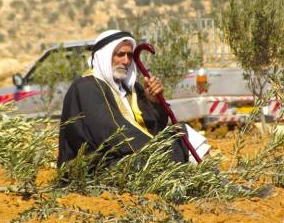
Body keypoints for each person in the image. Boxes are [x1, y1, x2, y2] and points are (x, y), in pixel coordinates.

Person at [57, 30, 190, 166]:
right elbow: (109, 134)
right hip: (98, 165)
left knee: (182, 132)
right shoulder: (86, 87)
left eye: (130, 55)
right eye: (120, 54)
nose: (126, 61)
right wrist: (153, 148)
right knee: (154, 158)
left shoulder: (132, 88)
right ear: (105, 56)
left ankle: (211, 179)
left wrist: (153, 102)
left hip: (131, 154)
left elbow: (154, 127)